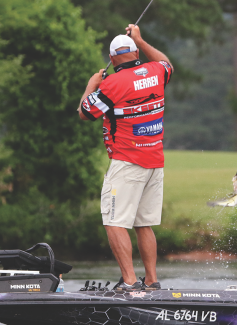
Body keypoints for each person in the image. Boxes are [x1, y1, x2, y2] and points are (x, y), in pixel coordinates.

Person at [78, 24, 173, 291]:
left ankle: (130, 282)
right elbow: (166, 63)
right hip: (154, 162)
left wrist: (91, 86)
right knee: (144, 224)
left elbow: (85, 112)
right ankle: (151, 280)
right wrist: (141, 40)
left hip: (127, 162)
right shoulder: (157, 72)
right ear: (136, 53)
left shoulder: (112, 84)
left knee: (114, 222)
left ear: (111, 59)